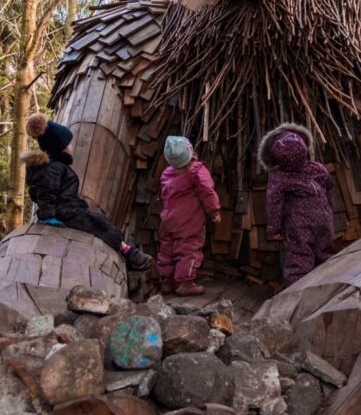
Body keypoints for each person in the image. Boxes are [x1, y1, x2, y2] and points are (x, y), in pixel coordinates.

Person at [22, 113, 152, 271]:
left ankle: (125, 253)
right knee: (100, 224)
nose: (71, 147)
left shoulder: (55, 166)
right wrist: (49, 217)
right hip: (66, 214)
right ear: (59, 148)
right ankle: (130, 254)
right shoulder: (54, 168)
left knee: (99, 219)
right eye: (68, 144)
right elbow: (46, 192)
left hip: (69, 210)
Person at [260, 123, 335, 285]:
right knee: (325, 254)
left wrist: (274, 228)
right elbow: (329, 187)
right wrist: (329, 208)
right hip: (324, 220)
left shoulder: (279, 177)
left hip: (299, 226)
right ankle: (328, 287)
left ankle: (297, 295)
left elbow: (274, 204)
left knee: (299, 259)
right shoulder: (317, 168)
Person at [157, 136, 220, 296]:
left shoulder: (166, 174)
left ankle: (167, 281)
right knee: (189, 249)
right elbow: (207, 192)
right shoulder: (196, 172)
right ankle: (185, 283)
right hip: (188, 221)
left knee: (167, 249)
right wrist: (215, 211)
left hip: (168, 219)